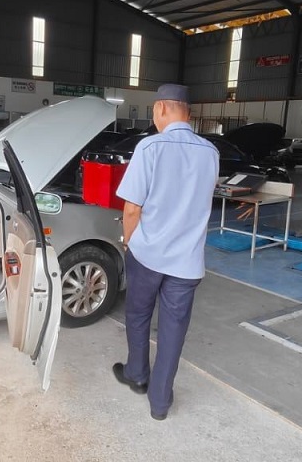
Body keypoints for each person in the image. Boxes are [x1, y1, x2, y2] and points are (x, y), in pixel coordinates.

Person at [111, 83, 219, 421]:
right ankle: (160, 403)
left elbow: (132, 208)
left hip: (148, 253)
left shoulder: (150, 146)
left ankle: (136, 374)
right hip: (187, 260)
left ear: (160, 109)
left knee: (138, 315)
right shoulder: (210, 152)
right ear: (189, 113)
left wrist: (129, 242)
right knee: (174, 330)